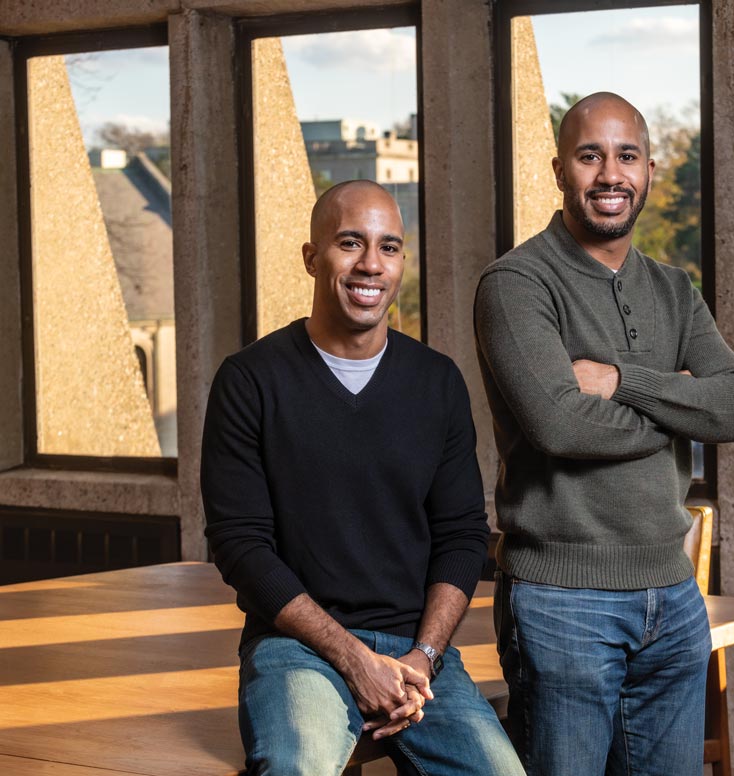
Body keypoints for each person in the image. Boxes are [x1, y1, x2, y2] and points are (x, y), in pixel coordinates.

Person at [474, 92, 734, 775]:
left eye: (627, 156)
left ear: (651, 170)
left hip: (674, 597)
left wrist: (620, 380)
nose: (610, 174)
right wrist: (679, 404)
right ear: (558, 169)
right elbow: (560, 423)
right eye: (590, 155)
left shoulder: (674, 290)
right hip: (561, 601)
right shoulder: (516, 284)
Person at [202, 180, 524, 776]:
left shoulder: (437, 383)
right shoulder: (249, 381)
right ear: (311, 257)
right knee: (297, 768)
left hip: (416, 653)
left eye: (390, 247)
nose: (371, 264)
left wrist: (423, 657)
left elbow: (461, 536)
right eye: (351, 243)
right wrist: (351, 657)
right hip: (294, 649)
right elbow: (240, 546)